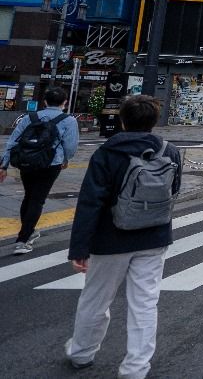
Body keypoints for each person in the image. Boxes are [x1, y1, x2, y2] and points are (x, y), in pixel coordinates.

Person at [64, 95, 181, 378]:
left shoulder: (108, 152)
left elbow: (90, 201)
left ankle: (81, 353)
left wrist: (79, 247)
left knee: (96, 299)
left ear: (122, 120)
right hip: (154, 237)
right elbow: (173, 192)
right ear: (154, 121)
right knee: (144, 303)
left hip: (110, 238)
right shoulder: (170, 151)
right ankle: (136, 368)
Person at [0, 85, 80, 255]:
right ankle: (23, 239)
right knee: (38, 199)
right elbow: (71, 146)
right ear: (64, 103)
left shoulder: (30, 117)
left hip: (27, 162)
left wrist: (4, 165)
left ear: (44, 101)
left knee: (29, 196)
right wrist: (66, 159)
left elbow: (13, 141)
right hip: (51, 164)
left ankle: (28, 231)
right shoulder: (68, 120)